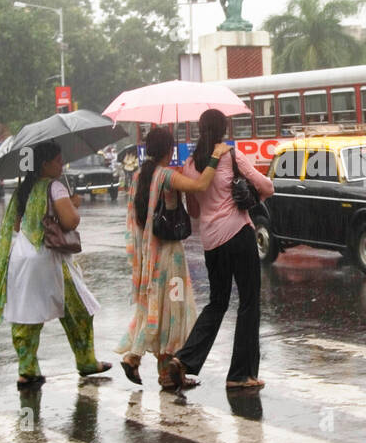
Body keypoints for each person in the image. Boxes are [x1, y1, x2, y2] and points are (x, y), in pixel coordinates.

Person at [163, 109, 274, 390]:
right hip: (238, 233)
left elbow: (195, 210)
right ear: (224, 129)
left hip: (211, 242)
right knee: (249, 302)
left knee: (217, 302)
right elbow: (266, 188)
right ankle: (240, 374)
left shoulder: (189, 164)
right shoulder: (231, 156)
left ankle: (184, 358)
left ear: (200, 129)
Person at [0, 141, 113, 388]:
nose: (61, 164)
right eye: (57, 160)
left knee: (26, 317)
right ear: (44, 164)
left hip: (22, 258)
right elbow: (70, 222)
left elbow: (16, 226)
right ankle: (86, 361)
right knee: (78, 310)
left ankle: (27, 370)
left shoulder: (23, 189)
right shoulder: (55, 187)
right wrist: (72, 204)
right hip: (50, 259)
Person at [116, 128, 227, 390]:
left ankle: (152, 367)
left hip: (150, 255)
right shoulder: (165, 176)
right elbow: (200, 185)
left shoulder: (141, 176)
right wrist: (215, 157)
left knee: (159, 309)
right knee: (173, 312)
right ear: (169, 149)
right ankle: (149, 365)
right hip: (169, 256)